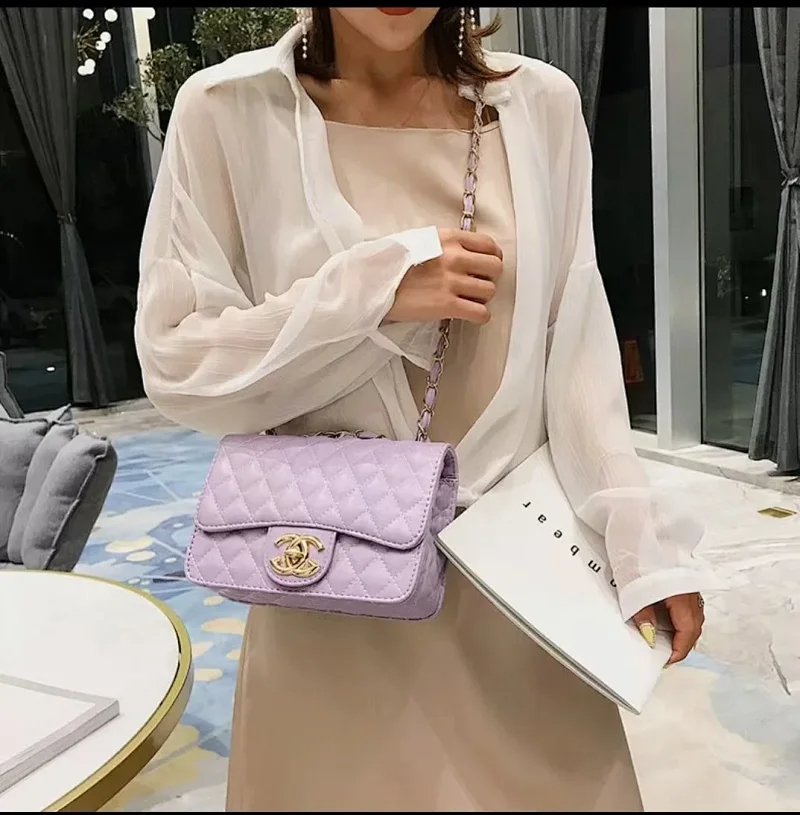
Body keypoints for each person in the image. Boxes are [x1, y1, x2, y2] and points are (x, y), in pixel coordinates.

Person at [135, 8, 713, 811]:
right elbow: (179, 362)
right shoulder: (228, 110)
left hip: (518, 590)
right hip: (333, 584)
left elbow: (575, 346)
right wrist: (375, 291)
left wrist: (639, 541)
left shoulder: (538, 105)